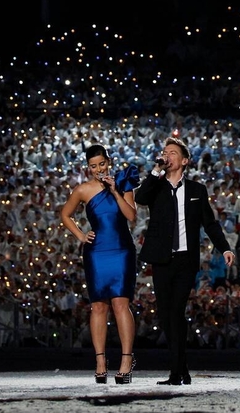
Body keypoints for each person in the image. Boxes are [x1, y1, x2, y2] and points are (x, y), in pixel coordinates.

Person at [134, 136, 235, 385]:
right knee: (166, 315)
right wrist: (156, 170)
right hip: (161, 259)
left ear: (185, 160)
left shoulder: (197, 190)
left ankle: (176, 372)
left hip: (185, 260)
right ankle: (182, 369)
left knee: (176, 311)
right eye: (164, 152)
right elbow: (141, 198)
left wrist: (224, 248)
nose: (167, 155)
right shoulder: (156, 186)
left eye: (172, 153)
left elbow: (209, 223)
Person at [60, 144, 140, 384]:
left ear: (109, 161)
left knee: (120, 304)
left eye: (102, 164)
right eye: (93, 166)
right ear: (88, 167)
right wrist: (81, 236)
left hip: (122, 250)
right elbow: (65, 214)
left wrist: (115, 191)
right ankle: (100, 361)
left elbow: (132, 216)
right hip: (96, 252)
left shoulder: (123, 182)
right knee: (98, 307)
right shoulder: (83, 190)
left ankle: (126, 360)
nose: (98, 169)